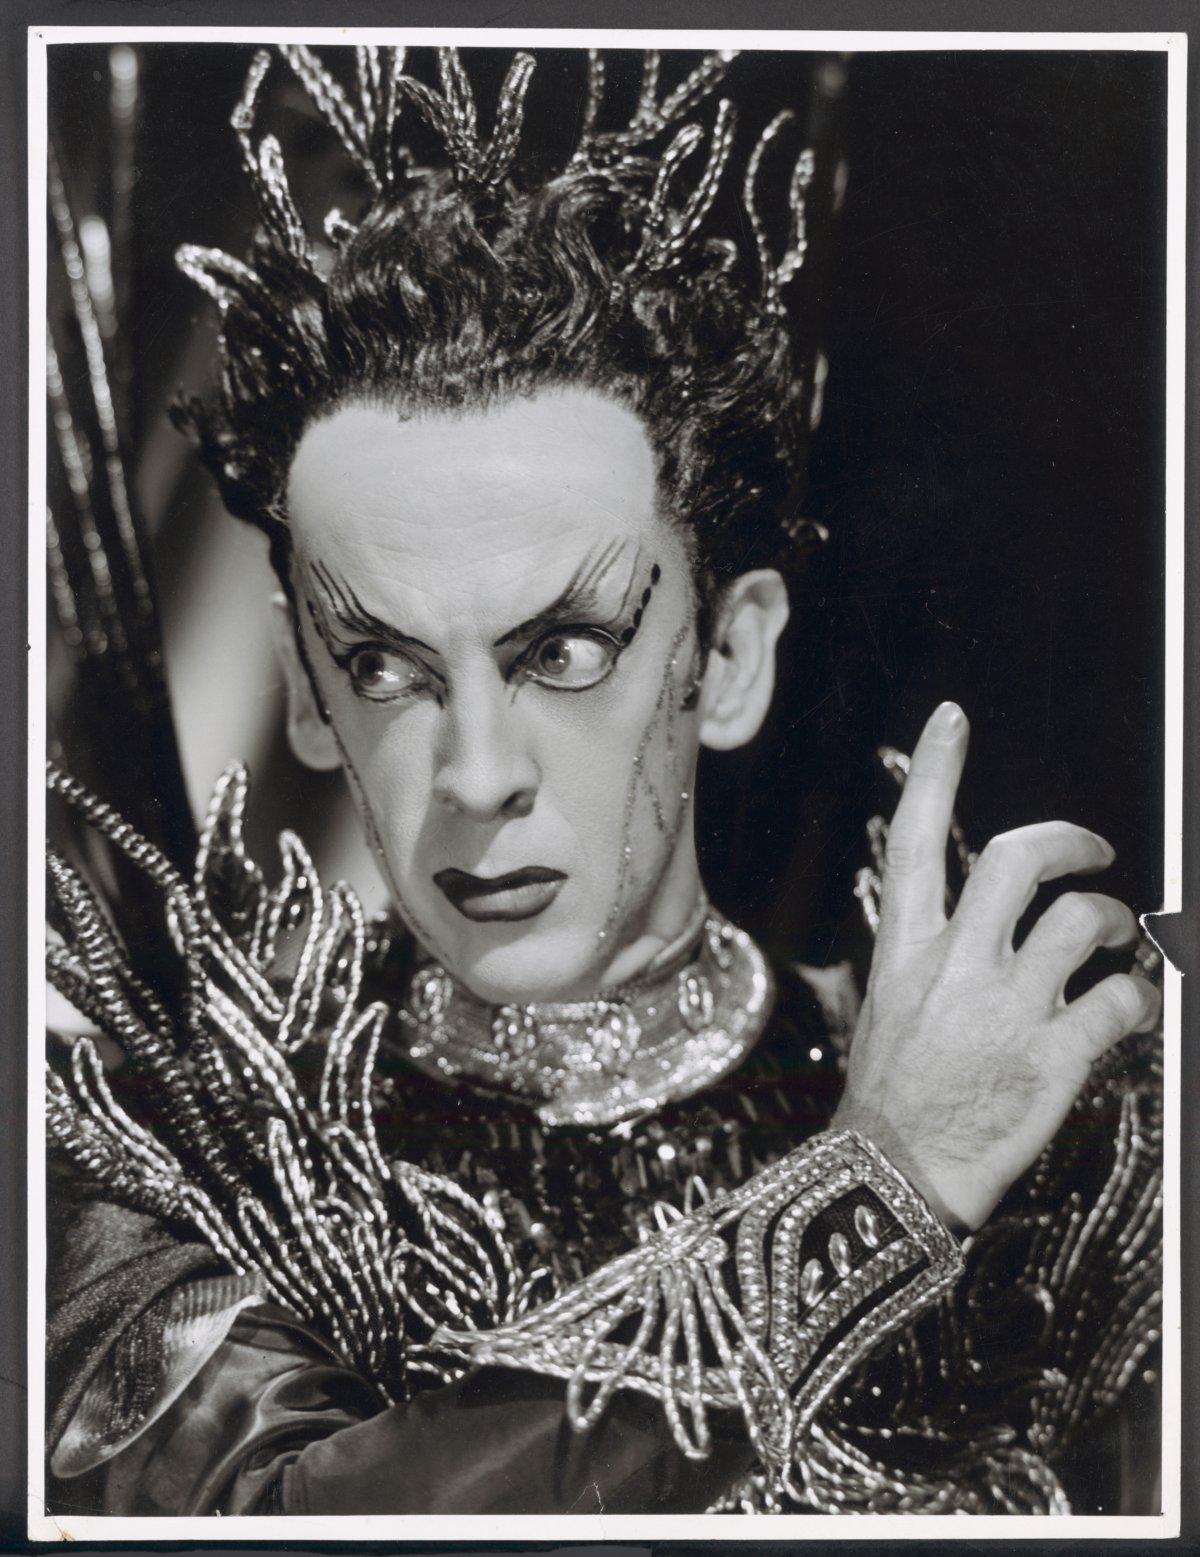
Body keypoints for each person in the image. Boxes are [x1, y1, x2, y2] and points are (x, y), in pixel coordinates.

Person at [44, 44, 1163, 1518]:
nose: (479, 772)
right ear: (307, 693)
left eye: (565, 648)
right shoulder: (174, 1170)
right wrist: (881, 1183)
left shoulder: (1058, 1146)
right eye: (384, 666)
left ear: (734, 654)